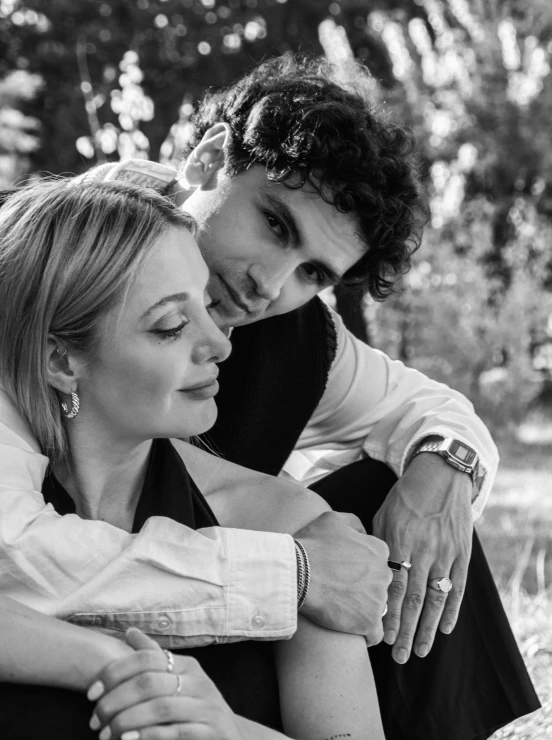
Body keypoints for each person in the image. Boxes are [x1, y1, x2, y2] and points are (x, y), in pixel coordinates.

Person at [0, 55, 540, 738]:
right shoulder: (37, 277)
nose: (268, 287)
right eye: (276, 225)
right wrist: (297, 577)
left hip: (219, 574)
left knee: (386, 501)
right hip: (55, 577)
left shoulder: (296, 340)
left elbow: (430, 411)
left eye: (313, 271)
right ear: (207, 160)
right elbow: (17, 558)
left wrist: (444, 475)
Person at [0, 178, 387, 740]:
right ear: (61, 361)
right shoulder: (16, 497)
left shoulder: (289, 524)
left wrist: (227, 731)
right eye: (170, 326)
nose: (222, 344)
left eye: (207, 303)